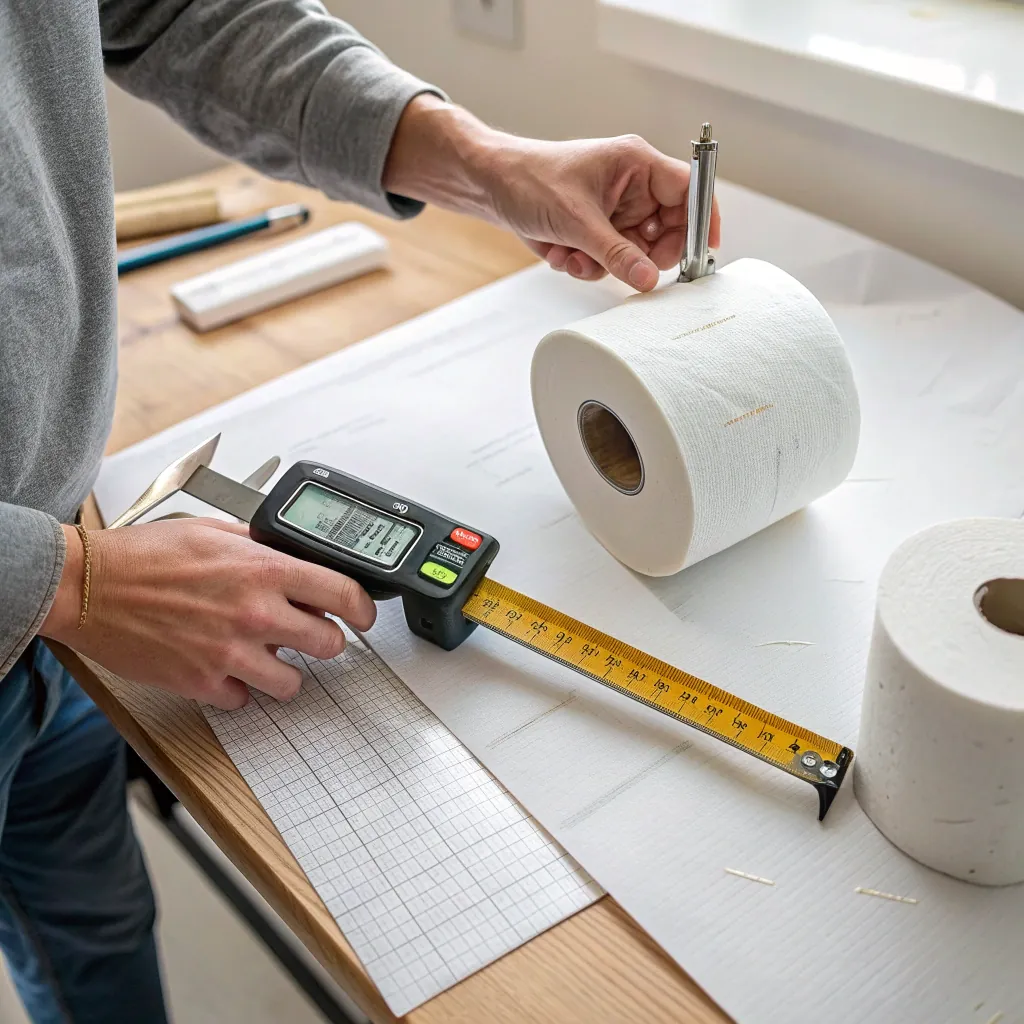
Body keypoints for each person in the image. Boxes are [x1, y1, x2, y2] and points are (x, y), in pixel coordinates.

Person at [0, 2, 721, 1021]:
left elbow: (176, 12)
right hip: (59, 576)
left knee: (94, 922)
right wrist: (67, 582)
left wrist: (480, 160)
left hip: (61, 571)